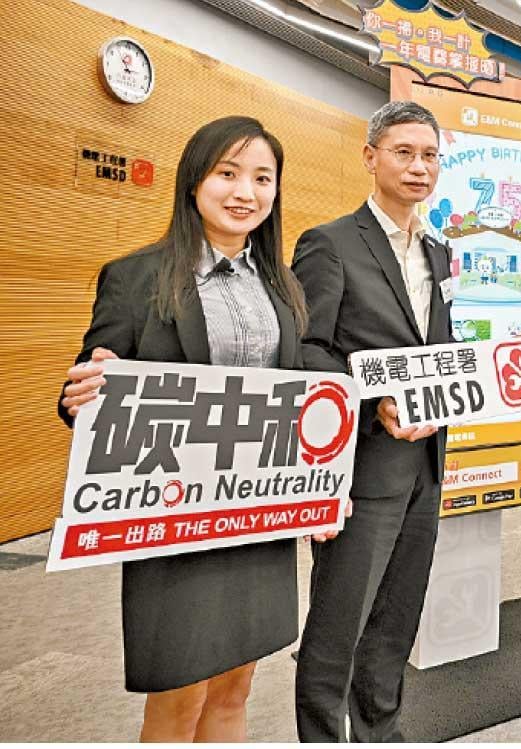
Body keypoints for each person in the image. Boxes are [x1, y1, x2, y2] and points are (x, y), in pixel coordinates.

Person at [57, 116, 324, 741]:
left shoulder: (284, 287)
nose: (245, 192)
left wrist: (321, 487)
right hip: (176, 518)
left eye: (262, 178)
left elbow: (299, 395)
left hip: (258, 514)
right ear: (194, 180)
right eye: (228, 173)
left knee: (234, 690)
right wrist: (82, 393)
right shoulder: (136, 277)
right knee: (178, 699)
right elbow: (93, 388)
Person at [292, 100, 454, 742]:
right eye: (404, 152)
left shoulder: (438, 250)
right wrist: (372, 402)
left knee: (395, 625)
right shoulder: (329, 243)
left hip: (425, 467)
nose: (419, 167)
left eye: (430, 155)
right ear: (370, 157)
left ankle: (381, 734)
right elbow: (305, 351)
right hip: (359, 468)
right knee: (338, 628)